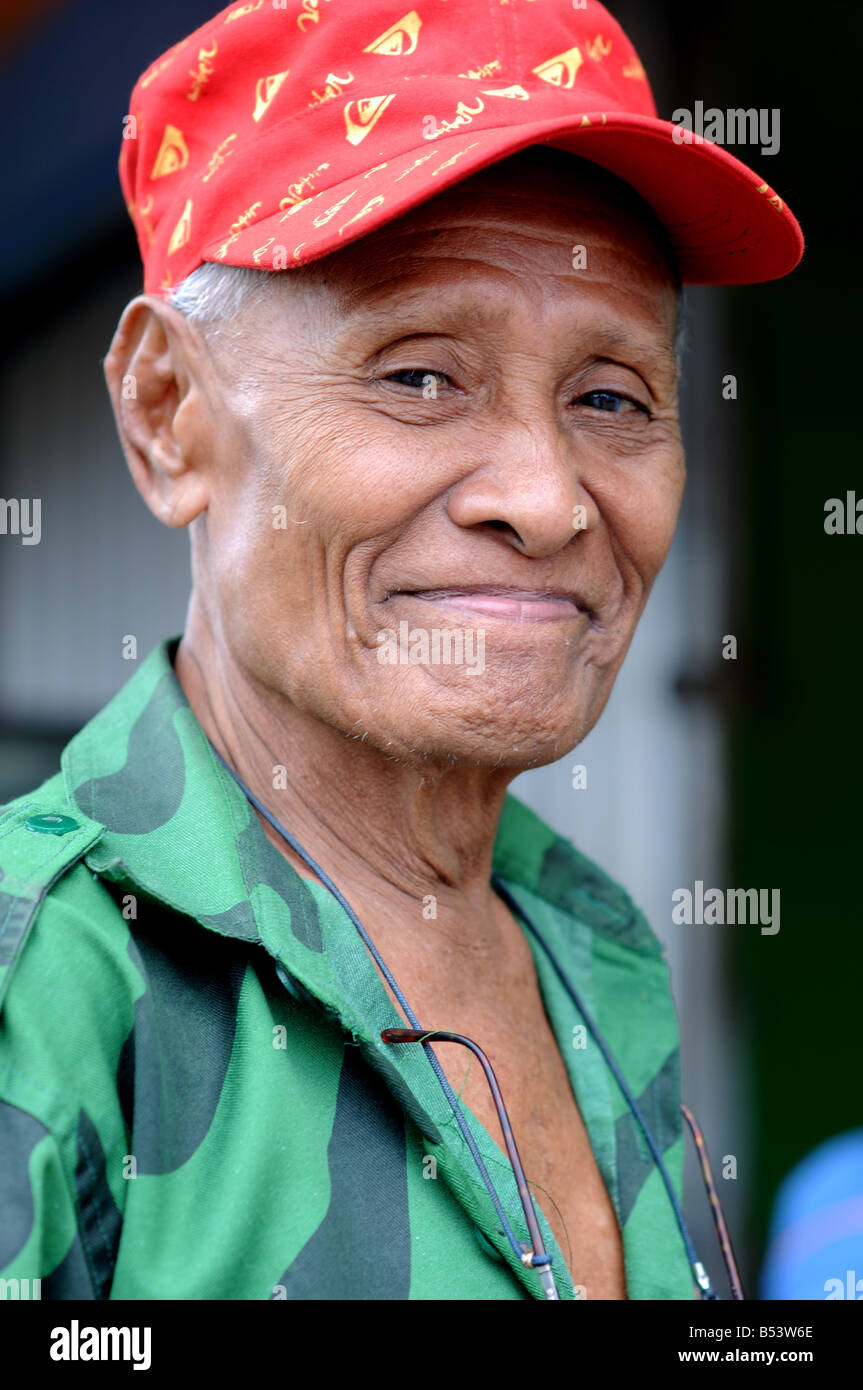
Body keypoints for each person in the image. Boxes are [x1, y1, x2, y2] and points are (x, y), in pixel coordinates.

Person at [0, 0, 802, 1301]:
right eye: (420, 376)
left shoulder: (588, 949)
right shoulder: (48, 988)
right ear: (167, 414)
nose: (548, 498)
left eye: (613, 395)